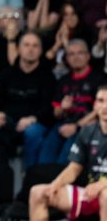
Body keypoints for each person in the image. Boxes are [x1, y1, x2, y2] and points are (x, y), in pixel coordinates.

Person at [29, 85, 107, 221]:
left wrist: (102, 185)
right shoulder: (87, 131)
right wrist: (54, 185)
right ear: (95, 105)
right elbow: (74, 168)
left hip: (104, 192)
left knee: (106, 195)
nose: (105, 106)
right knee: (39, 193)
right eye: (101, 100)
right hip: (91, 192)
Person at [0, 31, 56, 167]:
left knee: (32, 132)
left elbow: (49, 109)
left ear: (41, 51)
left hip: (35, 122)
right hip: (7, 120)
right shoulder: (6, 74)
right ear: (18, 49)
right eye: (26, 45)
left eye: (35, 46)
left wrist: (32, 119)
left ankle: (29, 173)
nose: (30, 49)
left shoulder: (48, 77)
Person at [39, 39, 103, 165]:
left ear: (88, 56)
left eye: (80, 53)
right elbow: (57, 113)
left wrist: (77, 126)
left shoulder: (100, 79)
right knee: (44, 157)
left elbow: (101, 110)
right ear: (66, 58)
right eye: (71, 54)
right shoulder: (63, 80)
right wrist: (63, 108)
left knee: (65, 158)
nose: (76, 57)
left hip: (88, 126)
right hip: (63, 125)